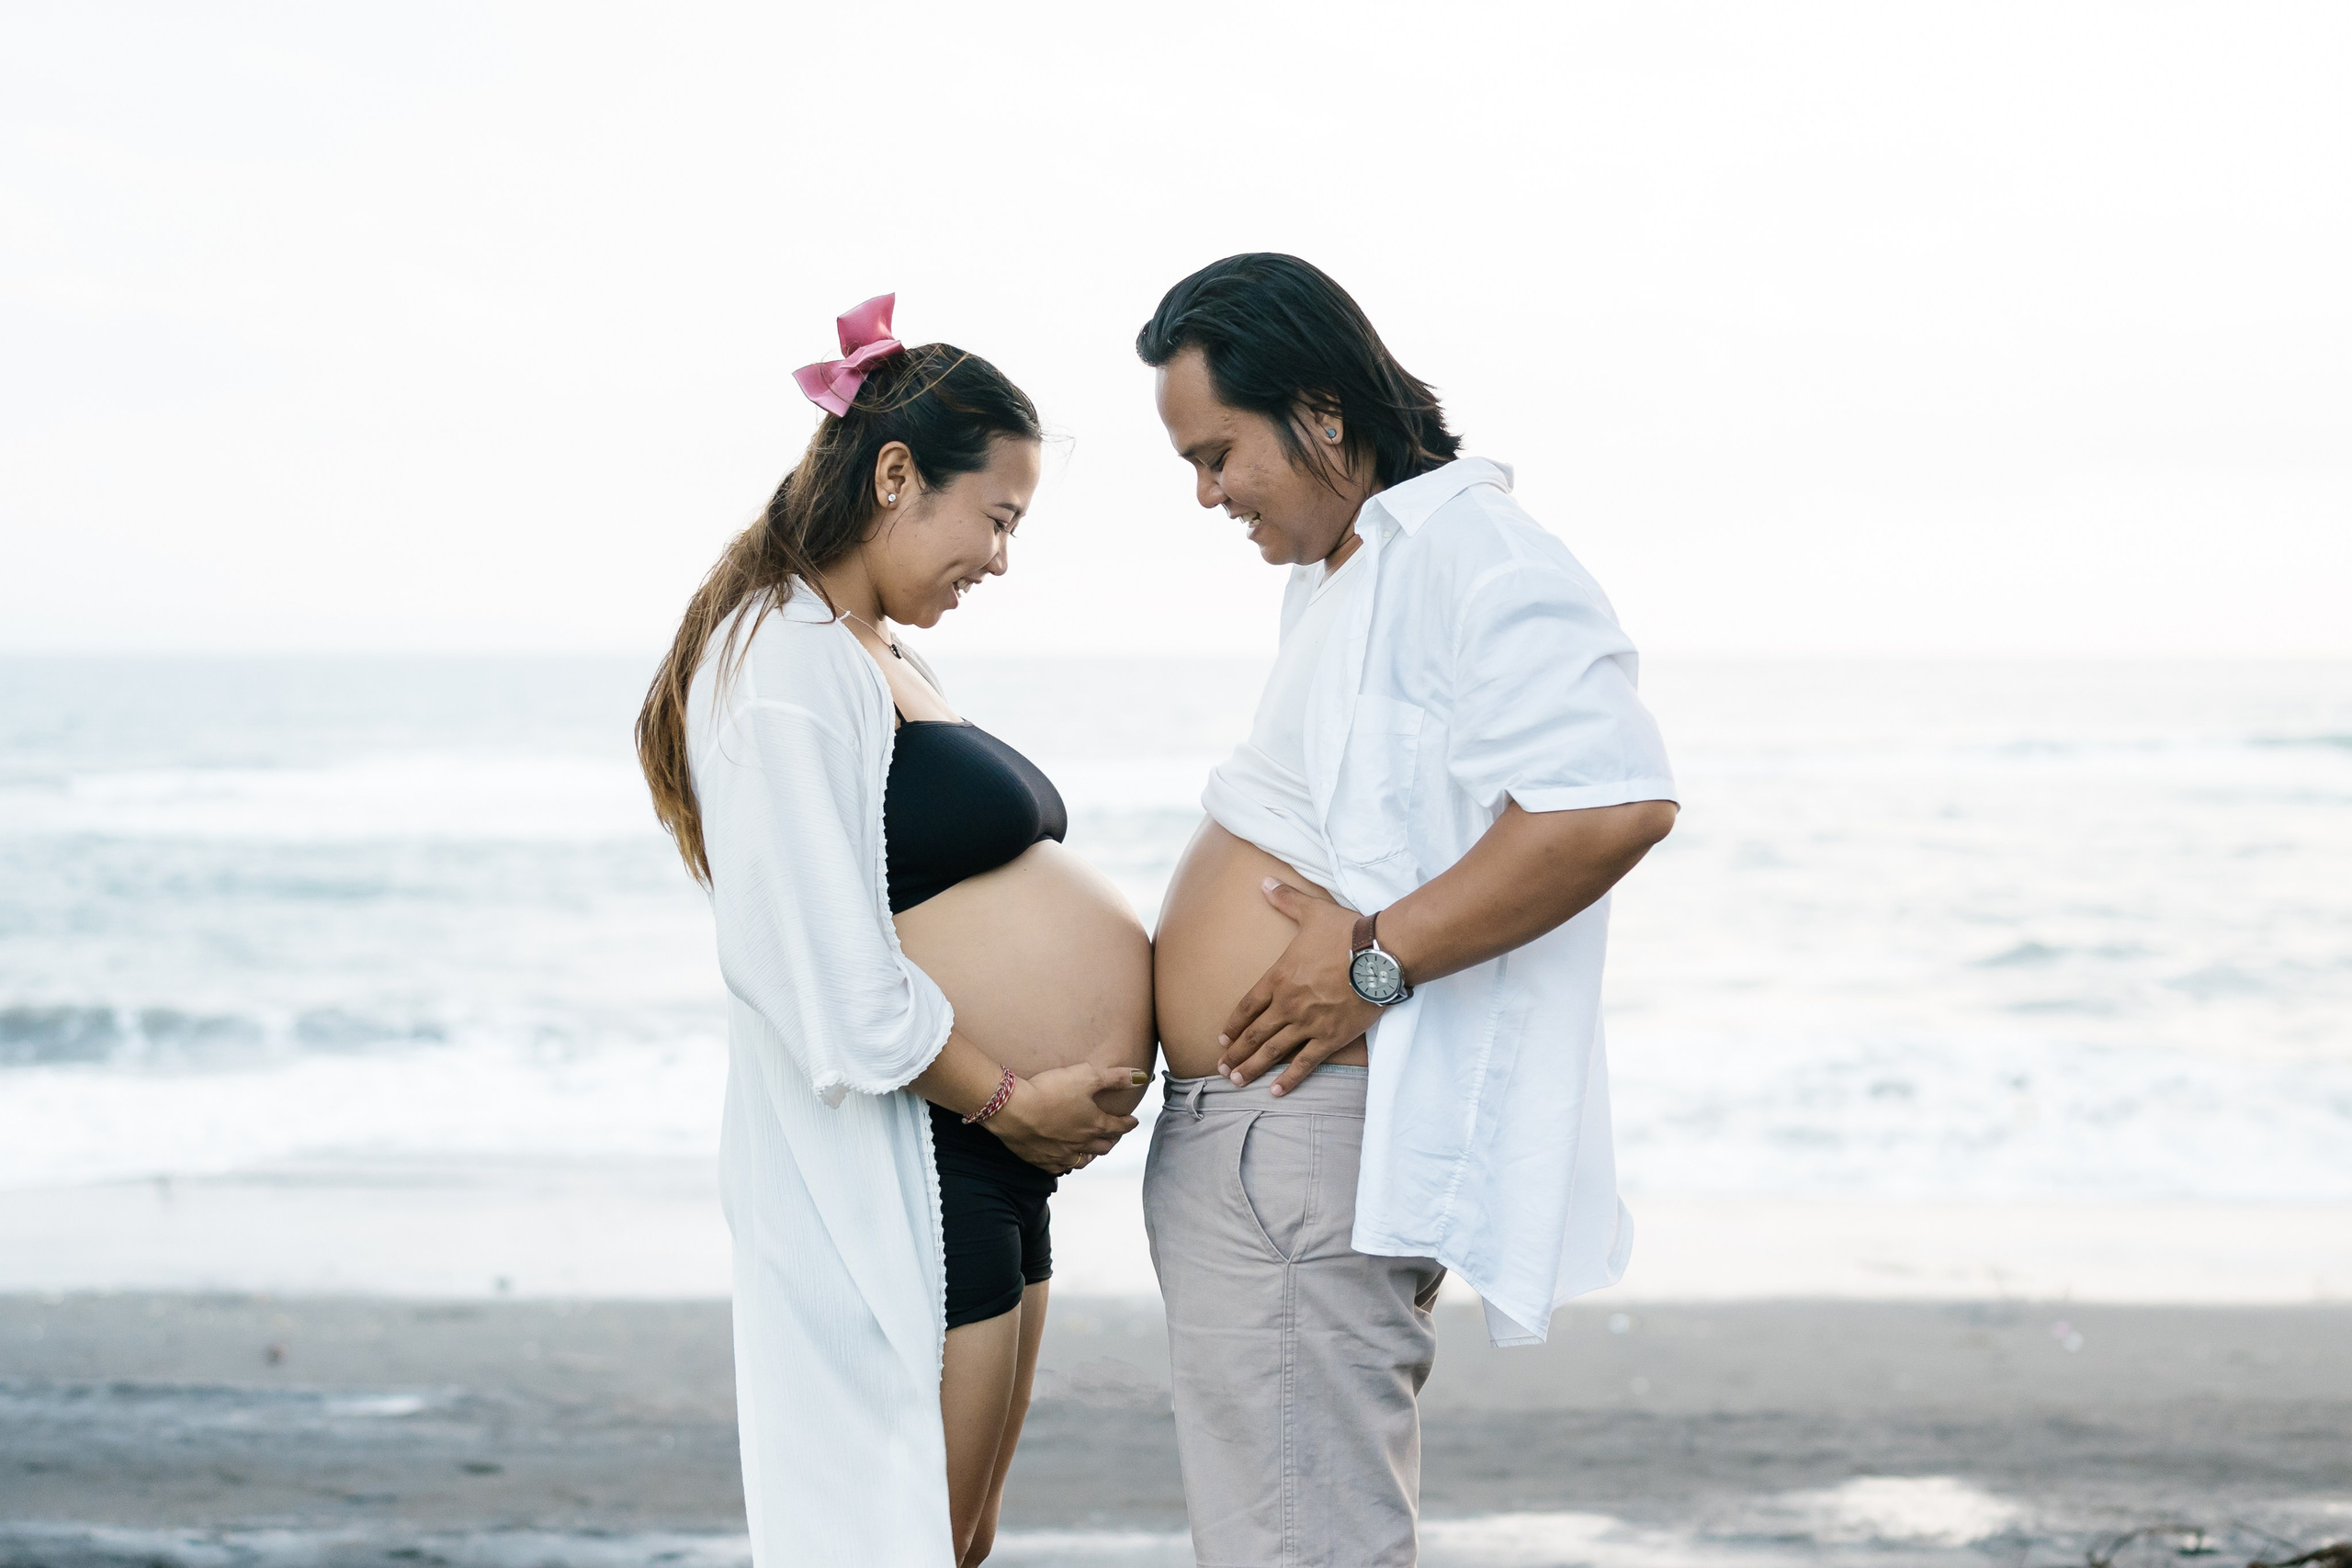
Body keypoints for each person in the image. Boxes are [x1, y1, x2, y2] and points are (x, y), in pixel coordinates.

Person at [1141, 254, 1680, 1566]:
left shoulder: (1466, 551)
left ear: (1322, 411)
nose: (1209, 496)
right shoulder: (1349, 575)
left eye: (1220, 454)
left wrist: (1373, 966)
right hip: (1271, 1135)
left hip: (1308, 1131)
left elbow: (1607, 803)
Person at [635, 296, 1155, 1567]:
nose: (1001, 559)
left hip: (988, 1157)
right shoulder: (782, 664)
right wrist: (1004, 1103)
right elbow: (806, 965)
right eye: (998, 517)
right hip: (931, 1152)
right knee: (902, 1542)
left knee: (951, 1539)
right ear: (895, 474)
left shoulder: (870, 649)